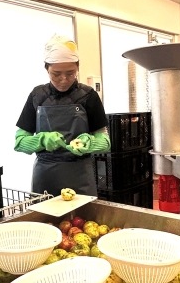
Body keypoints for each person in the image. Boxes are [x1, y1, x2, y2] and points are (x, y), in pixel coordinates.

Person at [14, 34, 110, 196]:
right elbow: (19, 142)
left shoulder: (88, 96)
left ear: (78, 68)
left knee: (83, 220)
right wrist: (42, 140)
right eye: (56, 74)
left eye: (70, 73)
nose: (64, 80)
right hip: (45, 176)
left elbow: (105, 142)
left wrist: (90, 142)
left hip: (80, 175)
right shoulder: (37, 96)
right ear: (46, 69)